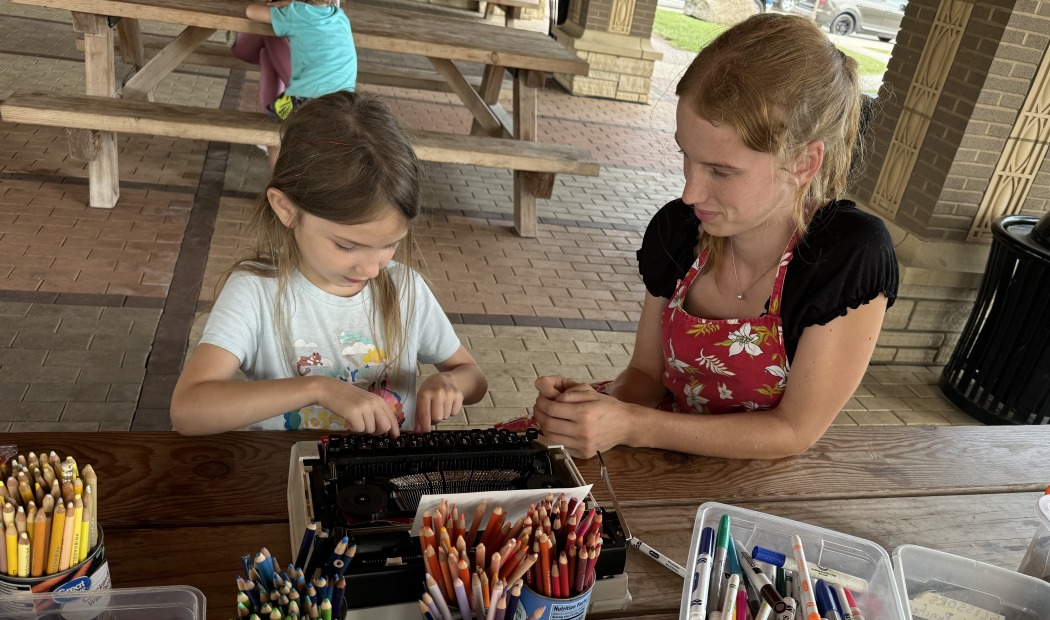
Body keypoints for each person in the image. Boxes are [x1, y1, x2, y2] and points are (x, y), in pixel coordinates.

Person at [531, 14, 899, 460]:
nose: (690, 192)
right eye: (687, 156)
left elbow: (793, 430)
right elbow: (646, 374)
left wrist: (632, 425)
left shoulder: (844, 255)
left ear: (804, 163)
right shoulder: (679, 229)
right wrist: (590, 409)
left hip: (752, 487)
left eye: (721, 171)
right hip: (656, 461)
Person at [171, 91, 488, 436]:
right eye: (346, 245)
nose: (370, 269)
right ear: (287, 209)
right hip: (290, 475)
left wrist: (450, 382)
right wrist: (318, 388)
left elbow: (473, 376)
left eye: (390, 245)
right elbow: (189, 410)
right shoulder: (255, 292)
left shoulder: (406, 288)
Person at [233, 0, 358, 167]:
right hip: (345, 105)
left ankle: (276, 172)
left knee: (274, 127)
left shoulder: (297, 13)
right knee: (266, 54)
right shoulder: (340, 17)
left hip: (305, 104)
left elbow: (251, 11)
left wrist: (286, 5)